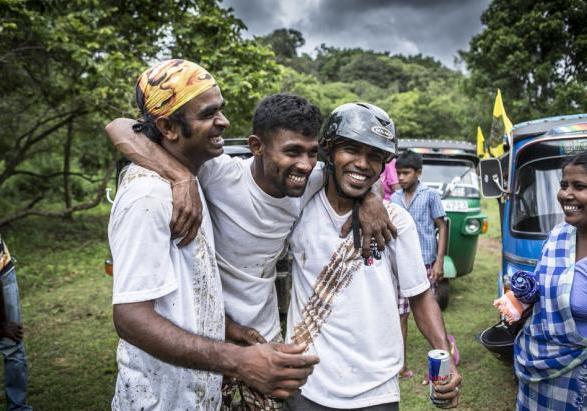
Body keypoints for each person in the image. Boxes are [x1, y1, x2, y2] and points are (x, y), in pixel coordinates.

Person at [106, 92, 394, 409]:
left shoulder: (310, 180)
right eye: (293, 152)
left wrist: (371, 198)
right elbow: (119, 127)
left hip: (265, 338)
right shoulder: (219, 175)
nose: (305, 164)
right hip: (206, 335)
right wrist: (180, 175)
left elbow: (358, 172)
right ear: (256, 146)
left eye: (312, 154)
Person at [108, 59, 319, 410]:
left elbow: (184, 294)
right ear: (168, 127)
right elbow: (130, 318)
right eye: (208, 114)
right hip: (160, 398)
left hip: (198, 381)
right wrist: (237, 361)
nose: (223, 122)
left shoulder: (195, 180)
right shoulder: (149, 195)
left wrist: (229, 329)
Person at [285, 103, 461, 410]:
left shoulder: (396, 222)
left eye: (375, 156)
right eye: (351, 149)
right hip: (306, 383)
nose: (363, 163)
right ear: (329, 150)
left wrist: (445, 357)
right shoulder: (297, 208)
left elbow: (420, 297)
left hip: (375, 390)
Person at [514, 151, 587, 411]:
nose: (566, 194)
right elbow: (545, 287)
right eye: (564, 185)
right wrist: (521, 300)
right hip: (538, 375)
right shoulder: (558, 235)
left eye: (579, 186)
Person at [390, 150, 458, 381]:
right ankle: (401, 366)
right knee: (400, 315)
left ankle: (445, 352)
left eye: (406, 173)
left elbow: (443, 225)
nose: (401, 177)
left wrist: (440, 261)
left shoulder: (430, 195)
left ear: (418, 173)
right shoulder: (395, 198)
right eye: (398, 173)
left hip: (426, 263)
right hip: (401, 264)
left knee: (429, 313)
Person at [0, 234, 32, 411]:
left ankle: (18, 407)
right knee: (12, 347)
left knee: (11, 345)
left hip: (2, 273)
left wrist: (3, 323)